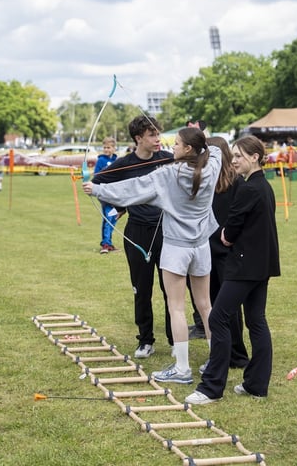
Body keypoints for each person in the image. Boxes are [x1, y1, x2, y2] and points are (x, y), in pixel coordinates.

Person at [84, 127, 220, 384]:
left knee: (176, 307)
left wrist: (97, 190)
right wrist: (201, 136)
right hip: (201, 247)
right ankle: (217, 360)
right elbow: (215, 150)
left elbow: (133, 188)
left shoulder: (168, 174)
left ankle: (182, 369)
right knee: (205, 305)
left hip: (177, 248)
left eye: (177, 143)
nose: (171, 146)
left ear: (188, 149)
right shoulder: (211, 166)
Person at [185, 136, 280, 405]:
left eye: (239, 156)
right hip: (260, 264)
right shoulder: (262, 186)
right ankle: (256, 384)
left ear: (255, 157)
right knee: (256, 320)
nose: (234, 160)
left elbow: (229, 232)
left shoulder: (249, 188)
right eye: (234, 155)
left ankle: (211, 388)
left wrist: (226, 235)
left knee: (217, 319)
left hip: (245, 265)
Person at [89, 115, 174, 359]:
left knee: (171, 289)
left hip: (166, 231)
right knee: (142, 289)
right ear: (138, 138)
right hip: (137, 233)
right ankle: (145, 340)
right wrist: (122, 204)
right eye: (152, 135)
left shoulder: (168, 158)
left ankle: (175, 339)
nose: (157, 139)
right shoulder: (124, 164)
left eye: (158, 134)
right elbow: (98, 183)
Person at [189, 137, 250, 366]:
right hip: (207, 251)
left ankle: (236, 354)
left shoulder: (236, 183)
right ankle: (221, 351)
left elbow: (239, 219)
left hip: (227, 253)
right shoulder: (206, 182)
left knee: (228, 307)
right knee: (211, 305)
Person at [94, 137, 119, 254]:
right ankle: (105, 244)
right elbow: (96, 176)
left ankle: (108, 241)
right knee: (108, 217)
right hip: (104, 194)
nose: (106, 150)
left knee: (114, 217)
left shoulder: (117, 160)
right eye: (104, 147)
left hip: (115, 194)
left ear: (114, 148)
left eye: (109, 147)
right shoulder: (101, 160)